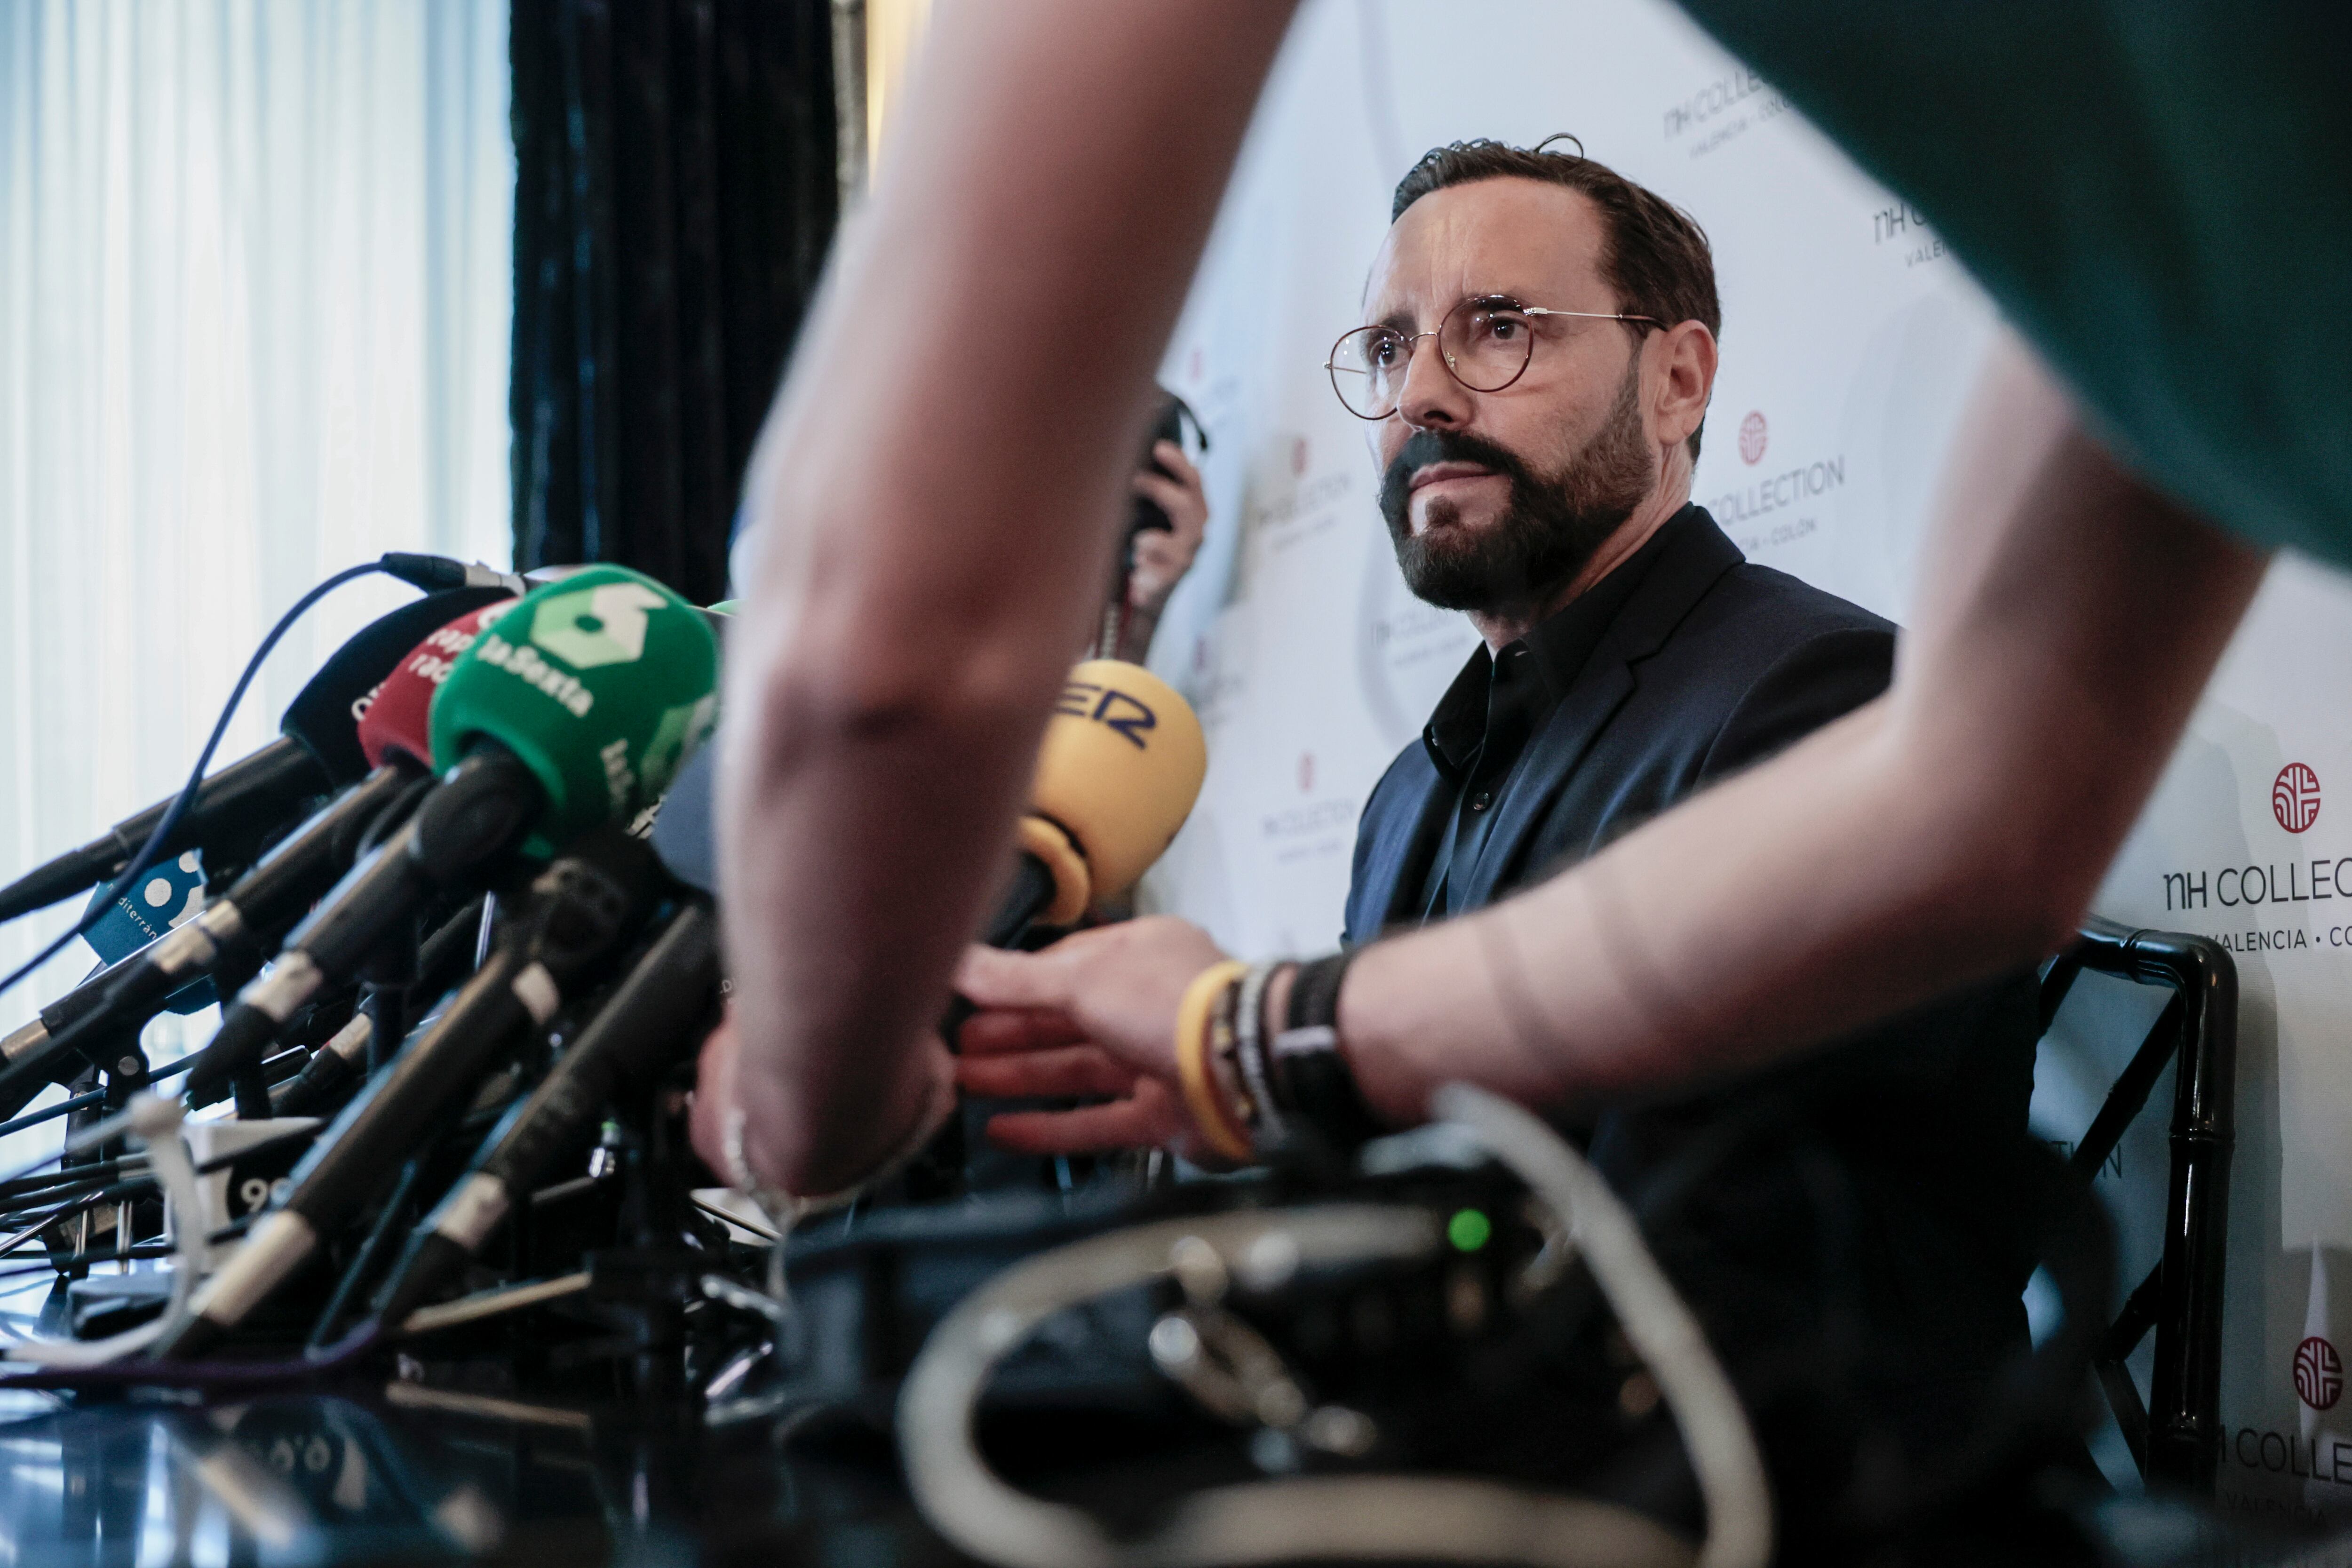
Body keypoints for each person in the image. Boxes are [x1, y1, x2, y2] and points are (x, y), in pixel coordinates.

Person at [949, 137, 2050, 1531]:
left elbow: (1697, 1238)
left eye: (1501, 329)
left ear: (1680, 379)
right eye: (1393, 347)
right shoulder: (1408, 792)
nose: (1420, 393)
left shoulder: (1821, 695)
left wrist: (1267, 1047)